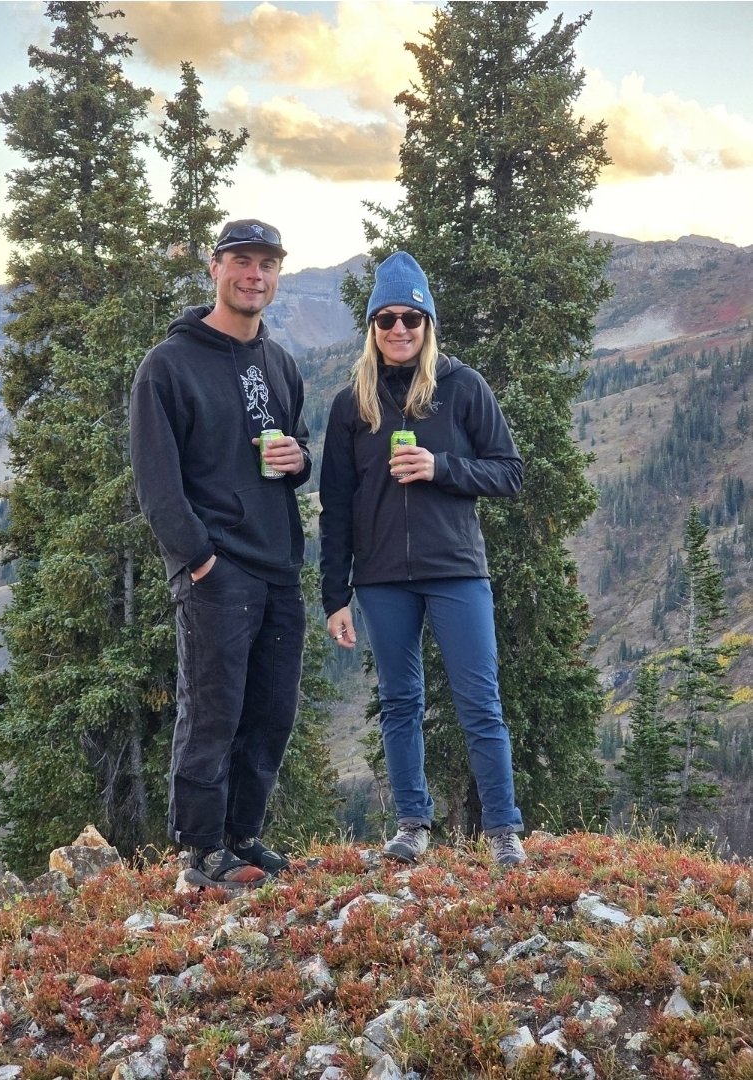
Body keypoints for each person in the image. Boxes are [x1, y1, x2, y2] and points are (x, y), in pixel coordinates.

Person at [319, 251, 527, 867]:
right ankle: (413, 824)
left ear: (428, 323)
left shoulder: (463, 387)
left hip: (457, 570)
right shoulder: (350, 405)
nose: (400, 329)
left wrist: (442, 469)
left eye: (412, 317)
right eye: (386, 318)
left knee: (478, 700)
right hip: (382, 579)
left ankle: (503, 831)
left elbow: (509, 472)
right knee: (400, 702)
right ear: (372, 327)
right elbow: (336, 507)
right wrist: (336, 596)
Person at [130, 219, 311, 890]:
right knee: (212, 712)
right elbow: (156, 482)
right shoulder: (169, 365)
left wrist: (300, 460)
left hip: (278, 568)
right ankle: (201, 850)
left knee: (270, 713)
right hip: (216, 571)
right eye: (242, 261)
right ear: (215, 267)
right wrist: (200, 560)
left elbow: (293, 450)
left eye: (267, 263)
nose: (254, 274)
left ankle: (244, 835)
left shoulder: (279, 362)